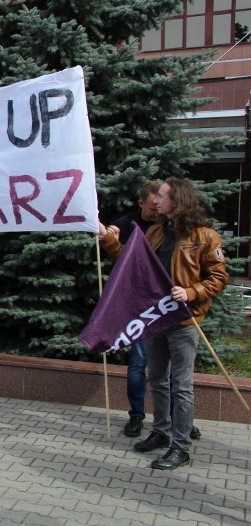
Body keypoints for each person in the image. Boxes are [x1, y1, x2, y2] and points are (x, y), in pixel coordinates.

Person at [99, 177, 228, 470]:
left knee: (181, 386)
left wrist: (191, 292)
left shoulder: (205, 237)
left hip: (184, 321)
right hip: (156, 319)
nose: (156, 200)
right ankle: (160, 431)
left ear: (177, 200)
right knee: (157, 379)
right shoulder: (156, 231)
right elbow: (131, 264)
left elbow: (219, 278)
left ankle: (180, 446)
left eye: (163, 196)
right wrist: (107, 238)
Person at [107, 181, 160, 438]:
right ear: (141, 203)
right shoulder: (129, 223)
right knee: (139, 362)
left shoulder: (170, 225)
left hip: (166, 303)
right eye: (152, 205)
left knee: (170, 368)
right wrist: (108, 236)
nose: (157, 209)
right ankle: (136, 416)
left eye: (160, 203)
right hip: (139, 303)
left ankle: (178, 418)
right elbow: (115, 241)